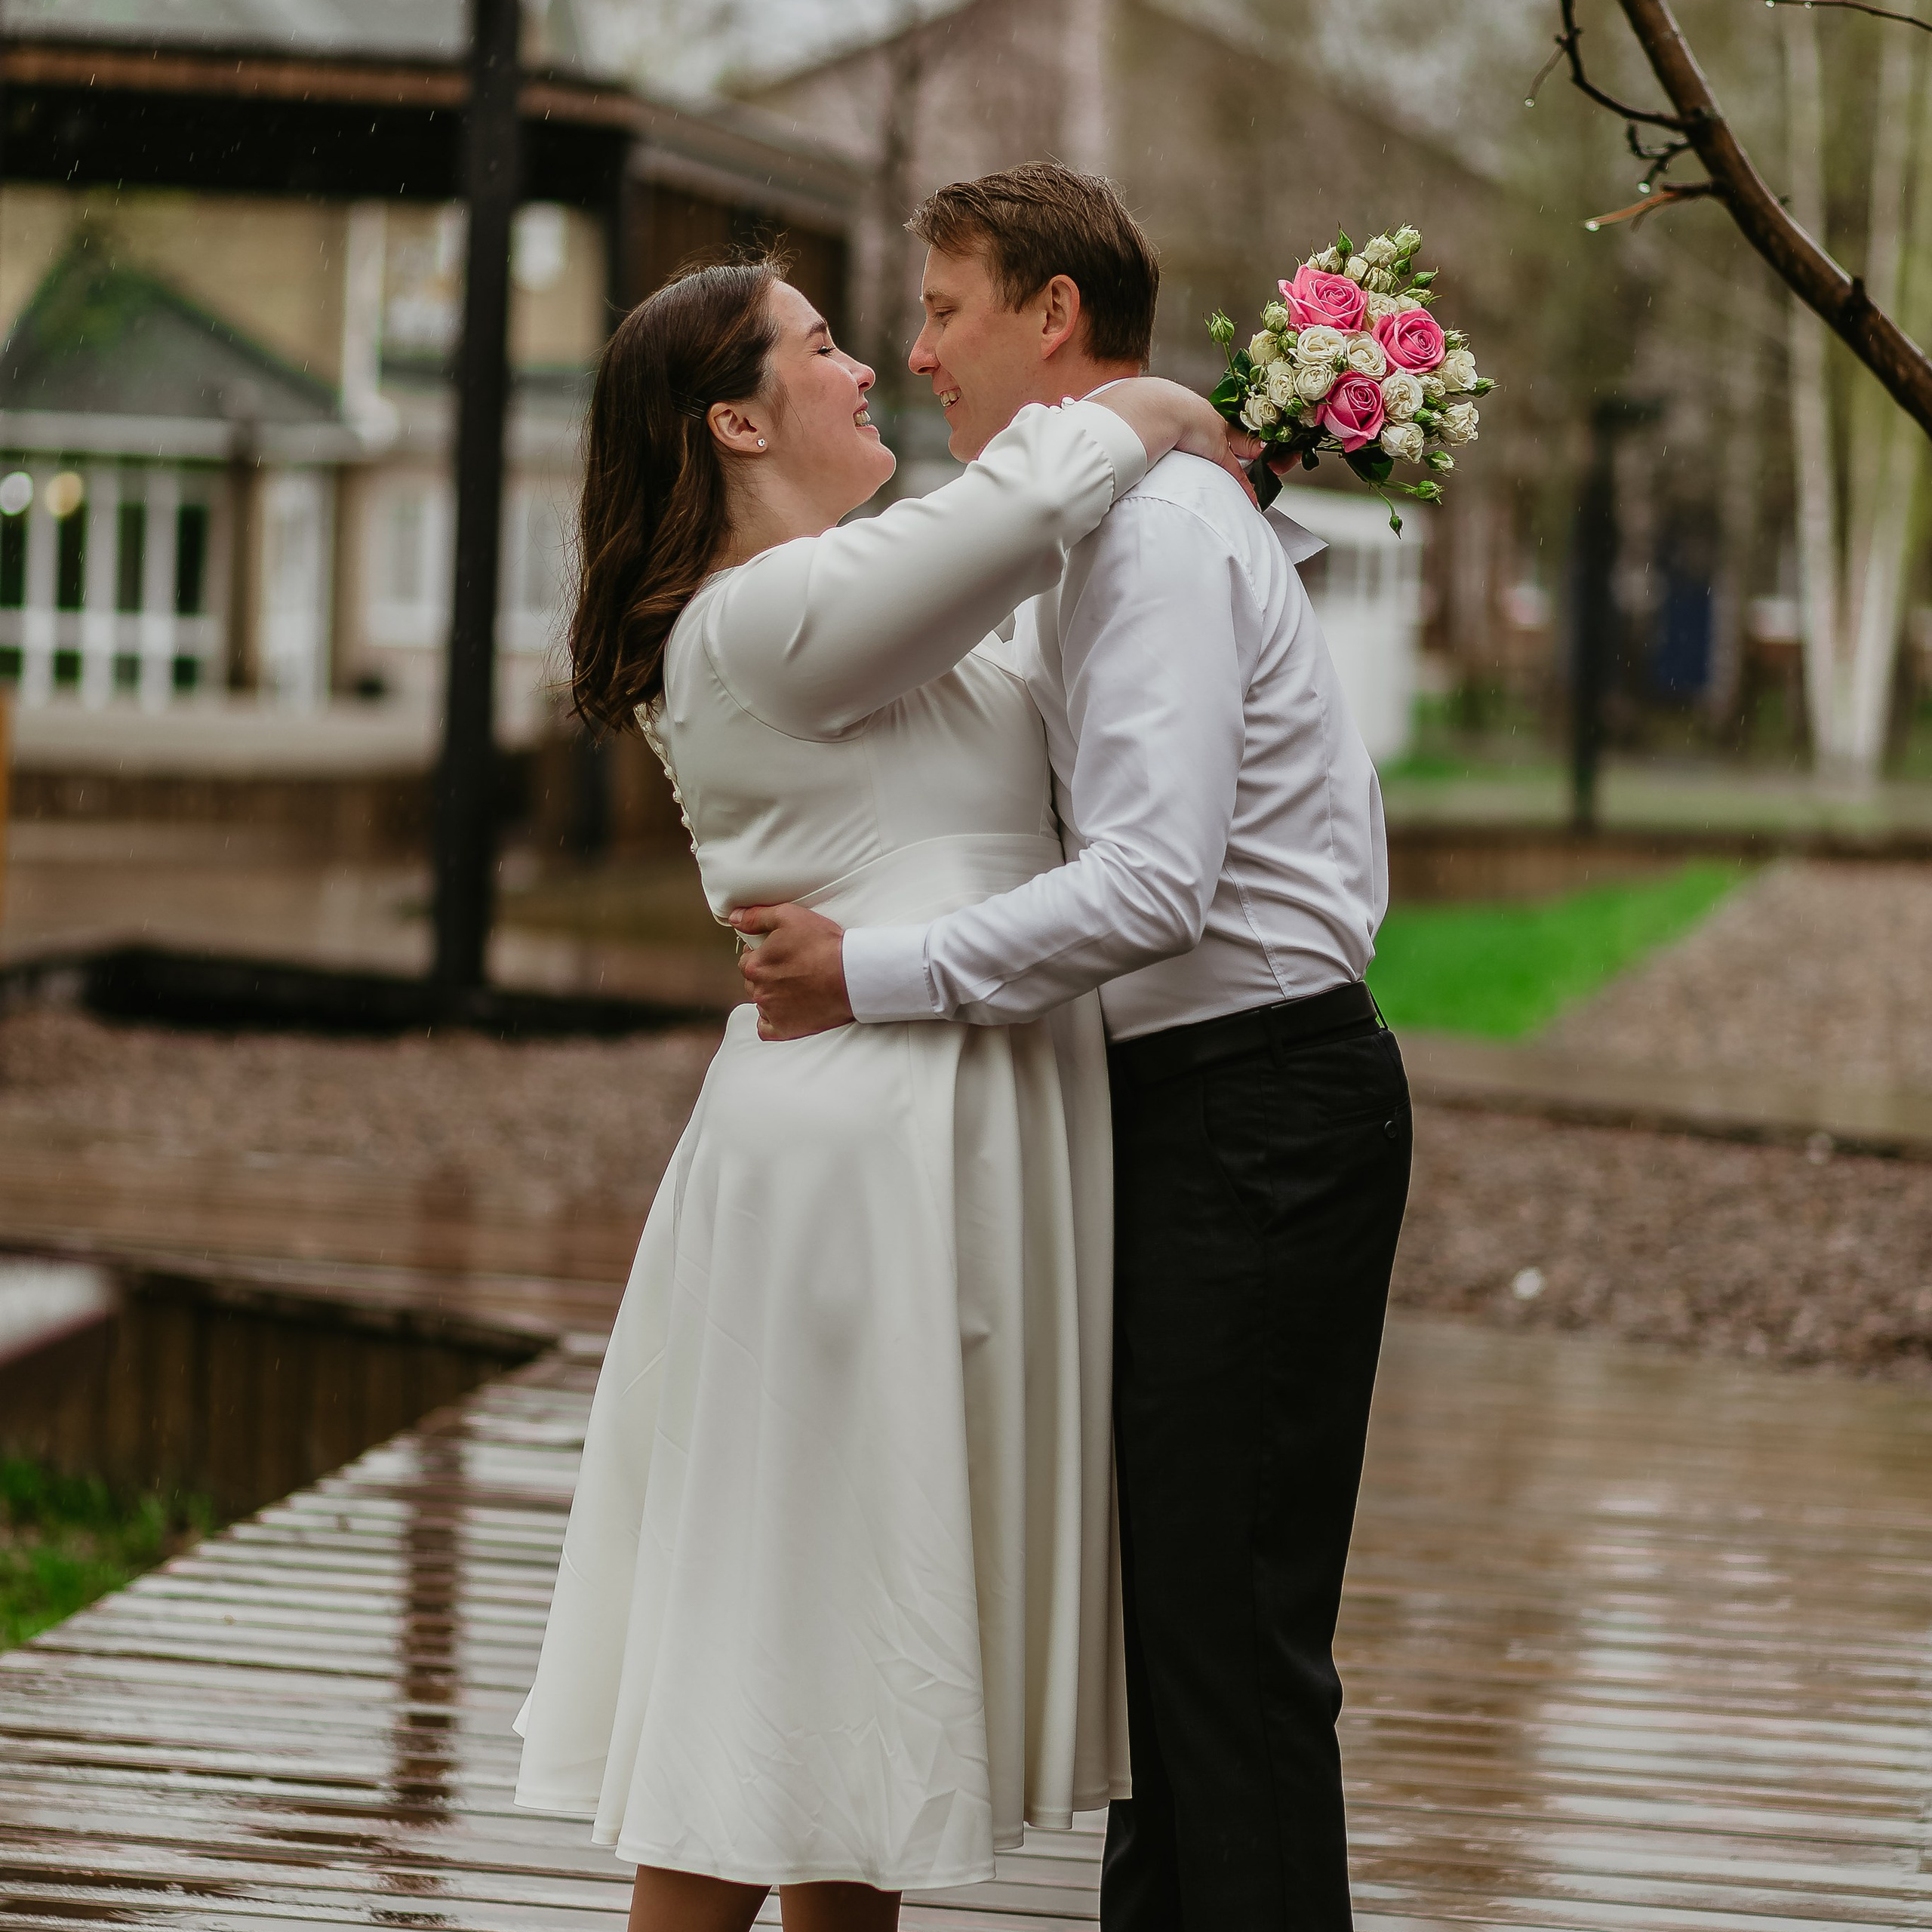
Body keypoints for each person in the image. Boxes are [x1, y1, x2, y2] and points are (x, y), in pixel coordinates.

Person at [509, 255, 1255, 1932]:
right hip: (857, 1162)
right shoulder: (758, 617)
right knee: (763, 1682)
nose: (872, 371)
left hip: (919, 1135)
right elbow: (1041, 487)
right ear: (737, 416)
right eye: (826, 346)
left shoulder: (854, 608)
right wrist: (1171, 404)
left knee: (843, 1698)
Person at [739, 165, 1413, 1932]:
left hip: (1258, 1105)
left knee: (1228, 1660)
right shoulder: (1091, 530)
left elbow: (1151, 887)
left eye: (944, 306)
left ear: (1051, 317)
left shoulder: (1161, 536)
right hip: (1196, 1110)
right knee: (1167, 1661)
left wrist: (866, 971)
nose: (915, 347)